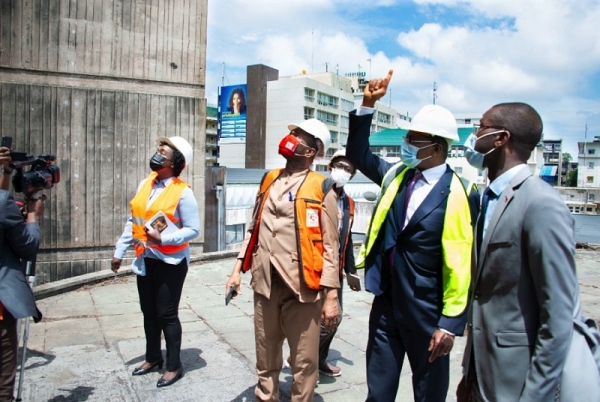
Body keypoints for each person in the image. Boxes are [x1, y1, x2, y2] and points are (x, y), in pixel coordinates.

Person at [346, 70, 479, 402]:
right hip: (387, 302)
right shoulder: (396, 175)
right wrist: (366, 104)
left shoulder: (461, 193)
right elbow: (359, 155)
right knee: (378, 393)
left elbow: (463, 262)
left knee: (429, 394)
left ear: (434, 147)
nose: (405, 144)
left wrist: (450, 322)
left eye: (413, 139)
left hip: (429, 312)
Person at [457, 103, 581, 401]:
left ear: (501, 138)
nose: (474, 136)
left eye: (481, 127)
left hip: (516, 382)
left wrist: (536, 395)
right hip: (481, 374)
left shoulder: (541, 204)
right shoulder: (490, 198)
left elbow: (560, 315)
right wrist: (468, 376)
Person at [225, 118, 341, 401]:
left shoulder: (322, 186)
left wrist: (331, 296)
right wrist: (237, 268)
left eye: (299, 135)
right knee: (265, 353)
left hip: (302, 286)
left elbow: (330, 245)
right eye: (292, 133)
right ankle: (266, 396)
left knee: (303, 360)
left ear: (311, 151)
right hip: (265, 282)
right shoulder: (269, 178)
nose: (291, 138)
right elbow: (253, 228)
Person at [112, 136, 200, 388]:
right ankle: (153, 357)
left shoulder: (183, 192)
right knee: (148, 312)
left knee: (166, 314)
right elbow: (135, 220)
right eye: (158, 151)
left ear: (175, 163)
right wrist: (120, 251)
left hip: (170, 261)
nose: (157, 155)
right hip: (145, 257)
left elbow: (194, 229)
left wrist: (165, 237)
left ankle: (174, 365)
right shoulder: (146, 184)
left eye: (163, 153)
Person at [0, 149, 45, 400]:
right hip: (2, 304)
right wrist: (33, 218)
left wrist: (6, 172)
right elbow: (27, 246)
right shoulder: (3, 204)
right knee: (4, 380)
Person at [318, 149, 360, 377]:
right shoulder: (316, 192)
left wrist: (350, 271)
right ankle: (306, 357)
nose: (343, 172)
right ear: (330, 167)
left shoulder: (349, 203)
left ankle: (316, 358)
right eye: (340, 166)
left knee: (335, 316)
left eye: (348, 170)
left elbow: (348, 237)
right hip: (314, 266)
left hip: (336, 268)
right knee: (315, 318)